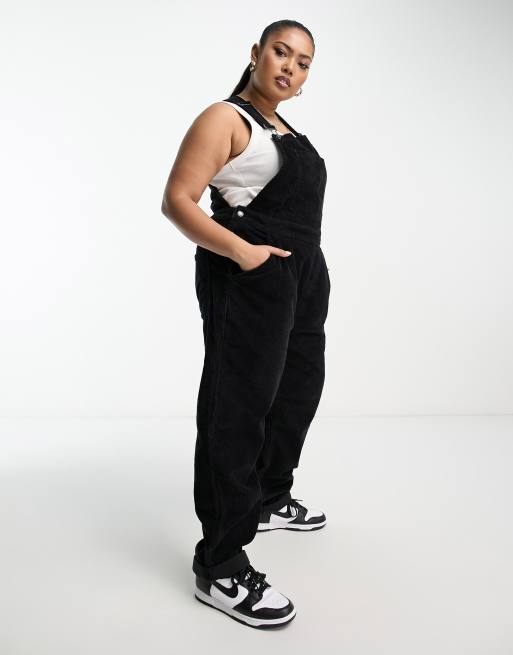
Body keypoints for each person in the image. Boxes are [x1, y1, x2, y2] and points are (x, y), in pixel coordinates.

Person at [161, 19, 330, 629]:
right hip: (250, 276)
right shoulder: (227, 118)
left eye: (303, 62)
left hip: (301, 278)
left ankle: (269, 496)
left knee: (296, 391)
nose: (290, 67)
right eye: (281, 52)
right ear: (256, 53)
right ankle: (221, 563)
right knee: (237, 408)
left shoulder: (289, 132)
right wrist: (245, 254)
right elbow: (177, 200)